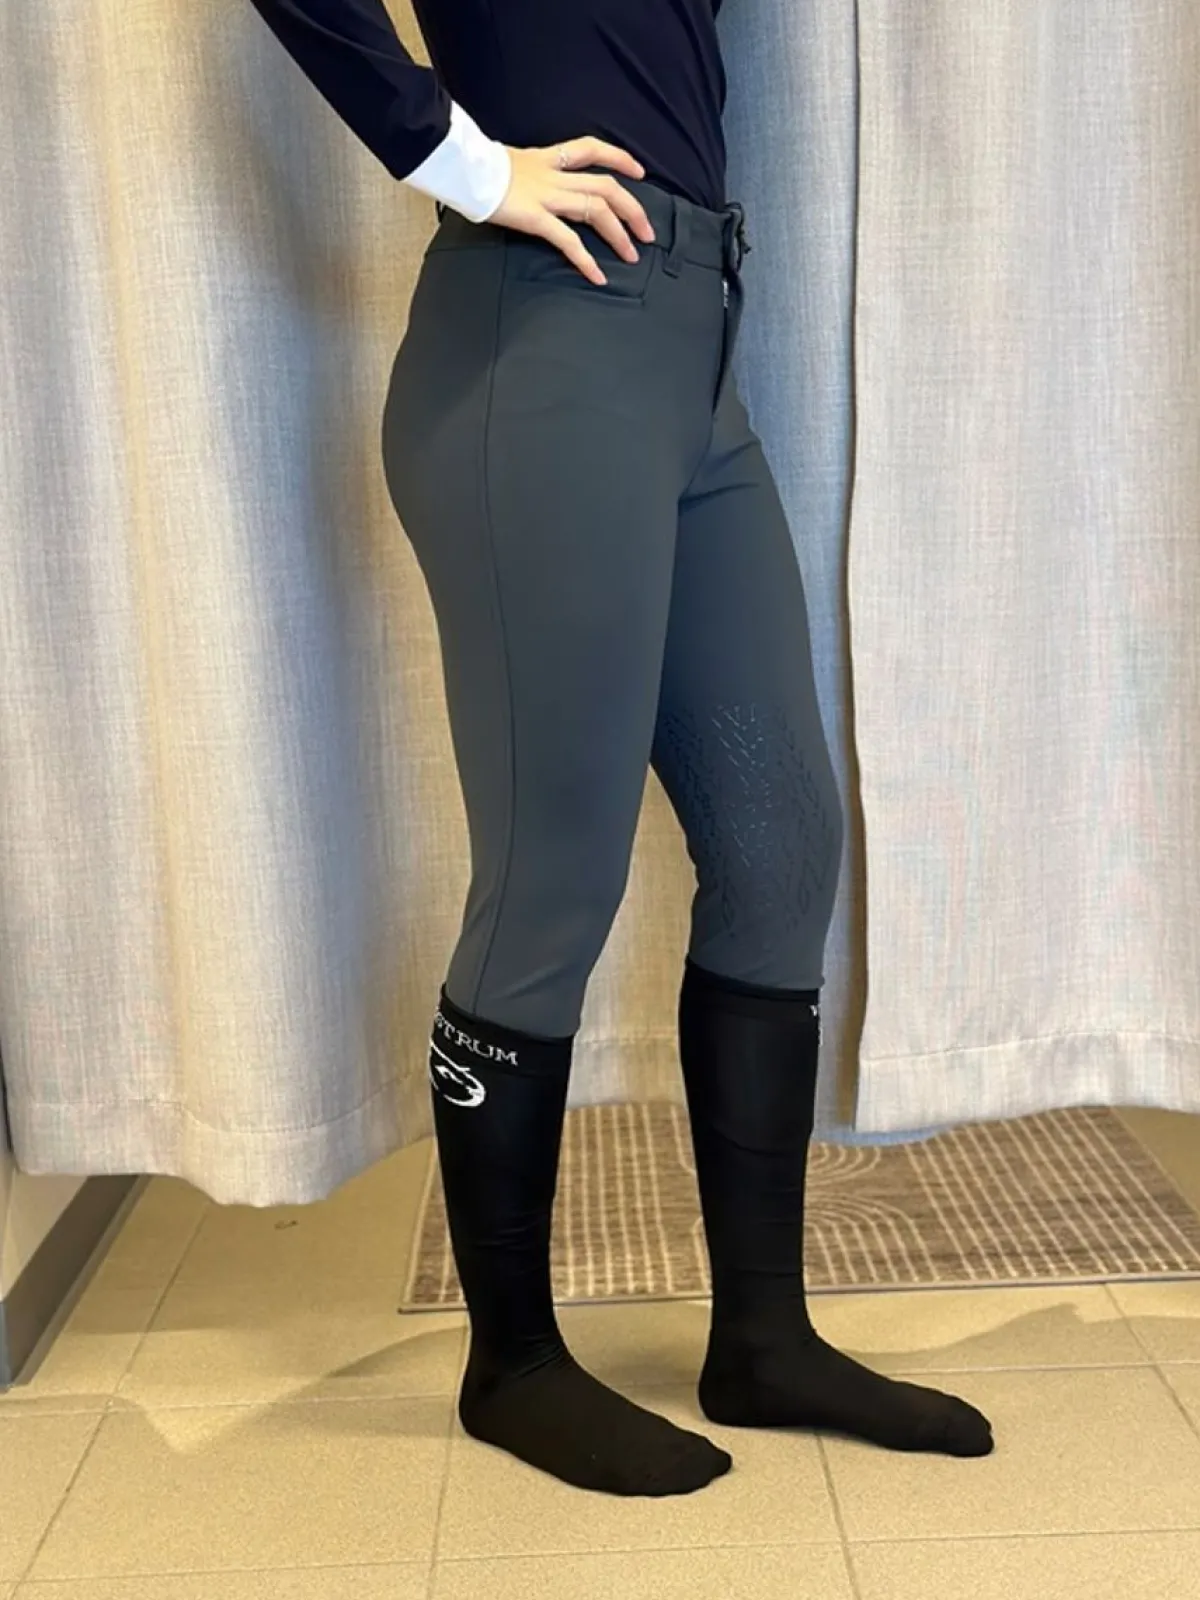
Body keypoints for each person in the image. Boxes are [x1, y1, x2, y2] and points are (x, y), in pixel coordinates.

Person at [246, 0, 996, 1497]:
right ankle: (512, 1363)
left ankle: (762, 1338)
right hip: (542, 352)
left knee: (782, 848)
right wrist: (456, 159)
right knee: (554, 879)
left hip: (691, 356)